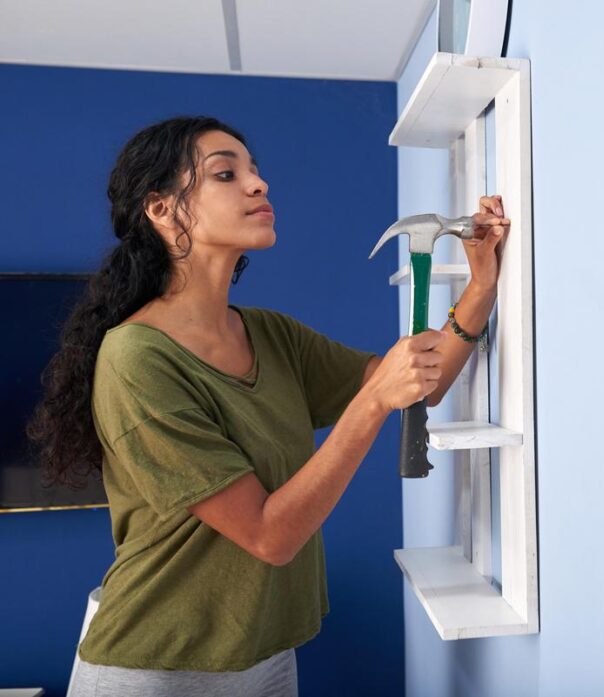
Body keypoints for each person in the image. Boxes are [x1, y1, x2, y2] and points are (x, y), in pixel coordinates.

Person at [26, 115, 509, 697]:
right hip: (156, 668)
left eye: (255, 172)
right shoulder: (136, 358)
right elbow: (268, 535)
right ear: (161, 210)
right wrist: (374, 402)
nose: (259, 185)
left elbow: (418, 388)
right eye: (226, 174)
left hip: (264, 653)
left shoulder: (270, 335)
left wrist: (480, 289)